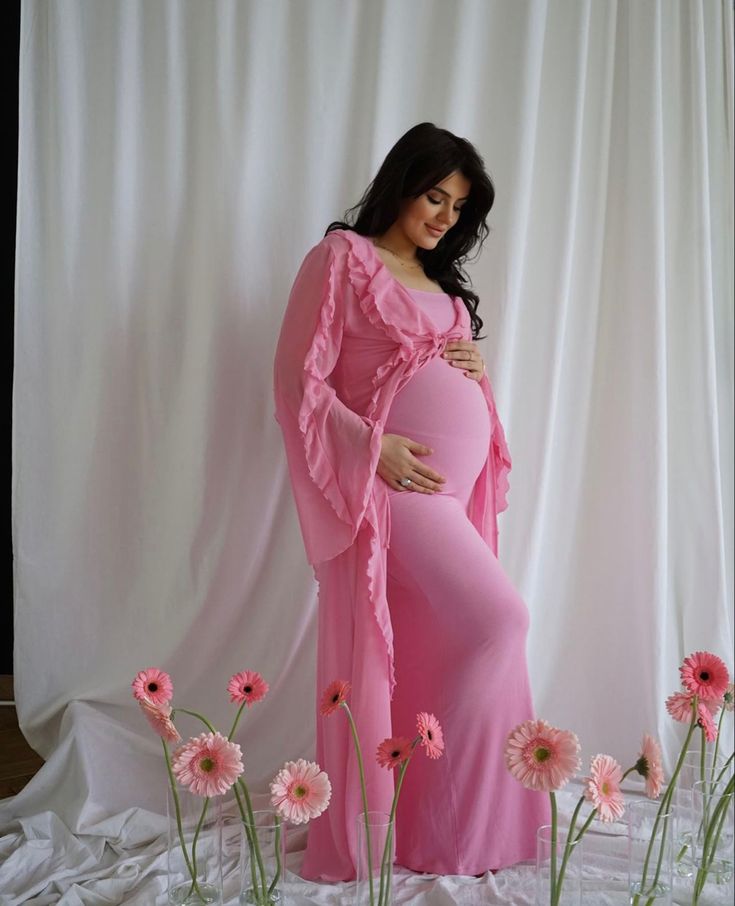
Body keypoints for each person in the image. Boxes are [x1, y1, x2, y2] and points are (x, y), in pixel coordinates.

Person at [273, 122, 549, 882]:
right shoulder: (342, 259)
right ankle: (429, 812)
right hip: (393, 495)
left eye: (458, 208)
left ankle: (446, 826)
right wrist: (375, 445)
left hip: (453, 498)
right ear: (401, 182)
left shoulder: (440, 283)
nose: (443, 217)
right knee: (501, 620)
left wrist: (469, 362)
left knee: (451, 645)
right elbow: (302, 378)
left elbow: (438, 376)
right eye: (434, 196)